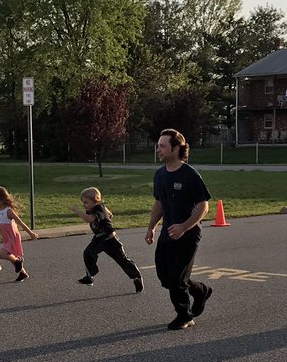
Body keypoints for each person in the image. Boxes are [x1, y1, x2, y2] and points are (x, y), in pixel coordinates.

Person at [144, 128, 212, 330]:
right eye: (158, 146)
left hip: (188, 234)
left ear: (176, 148)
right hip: (167, 233)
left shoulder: (190, 174)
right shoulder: (160, 175)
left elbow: (204, 206)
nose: (158, 149)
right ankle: (200, 291)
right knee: (166, 277)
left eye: (163, 146)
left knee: (177, 279)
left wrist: (184, 226)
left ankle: (184, 315)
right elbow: (159, 204)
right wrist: (151, 228)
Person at [72, 187, 143, 293]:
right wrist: (107, 215)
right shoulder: (98, 208)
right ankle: (89, 277)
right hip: (99, 238)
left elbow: (90, 219)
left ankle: (136, 277)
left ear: (95, 199)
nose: (84, 205)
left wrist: (77, 211)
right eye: (83, 203)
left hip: (109, 238)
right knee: (88, 253)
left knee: (122, 260)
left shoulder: (98, 208)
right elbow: (110, 214)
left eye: (86, 202)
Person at [0, 185, 38, 282]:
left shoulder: (9, 211)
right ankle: (23, 273)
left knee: (1, 254)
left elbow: (21, 223)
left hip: (12, 237)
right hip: (7, 238)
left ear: (2, 200)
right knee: (12, 256)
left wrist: (31, 233)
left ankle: (18, 262)